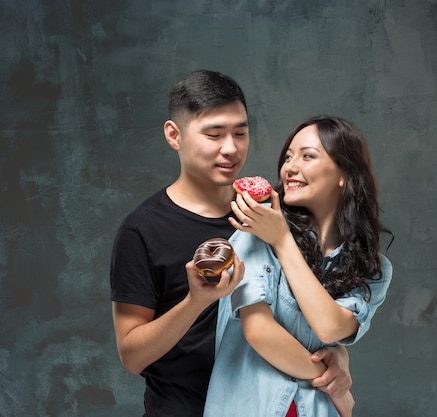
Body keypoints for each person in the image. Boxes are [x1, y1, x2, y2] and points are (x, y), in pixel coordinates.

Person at [109, 71, 353, 417]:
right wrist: (196, 302)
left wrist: (338, 354)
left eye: (241, 132)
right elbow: (132, 356)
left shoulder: (276, 212)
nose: (231, 148)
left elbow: (314, 307)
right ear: (173, 135)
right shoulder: (142, 231)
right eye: (214, 134)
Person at [203, 116, 393, 416]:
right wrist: (337, 387)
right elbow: (259, 332)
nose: (290, 166)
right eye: (288, 156)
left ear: (344, 173)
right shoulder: (258, 226)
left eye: (307, 156)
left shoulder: (372, 267)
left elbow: (330, 327)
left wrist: (282, 242)